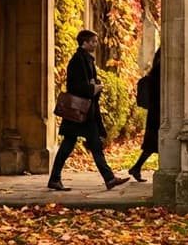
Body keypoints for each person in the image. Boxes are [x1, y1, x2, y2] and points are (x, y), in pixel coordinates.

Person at [47, 29, 129, 191]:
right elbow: (76, 86)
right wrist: (94, 88)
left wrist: (94, 85)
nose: (96, 44)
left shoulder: (85, 59)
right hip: (80, 112)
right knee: (80, 145)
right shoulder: (78, 60)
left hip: (84, 112)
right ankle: (108, 179)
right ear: (84, 42)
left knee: (81, 144)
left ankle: (108, 178)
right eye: (93, 42)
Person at [129, 47, 161, 182]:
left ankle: (136, 168)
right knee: (154, 143)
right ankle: (136, 168)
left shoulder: (156, 70)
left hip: (157, 111)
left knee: (153, 144)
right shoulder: (160, 71)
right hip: (158, 111)